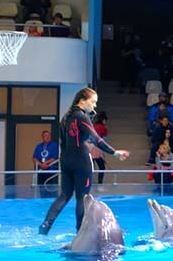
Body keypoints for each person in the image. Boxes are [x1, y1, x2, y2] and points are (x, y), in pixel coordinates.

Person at [38, 88, 129, 234]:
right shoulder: (81, 117)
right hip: (81, 161)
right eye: (93, 102)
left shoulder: (65, 118)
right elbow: (96, 139)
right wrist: (115, 153)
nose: (94, 106)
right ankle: (80, 232)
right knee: (83, 197)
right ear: (82, 101)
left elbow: (63, 141)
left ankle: (45, 225)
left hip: (66, 160)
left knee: (64, 195)